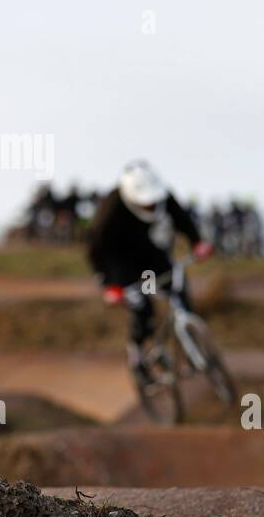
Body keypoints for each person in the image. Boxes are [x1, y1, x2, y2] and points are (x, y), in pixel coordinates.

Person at [87, 161, 213, 384]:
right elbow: (95, 249)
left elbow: (181, 218)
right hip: (122, 264)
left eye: (153, 203)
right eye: (145, 204)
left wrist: (197, 242)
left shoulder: (163, 195)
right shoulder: (111, 208)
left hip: (151, 255)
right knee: (143, 310)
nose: (151, 207)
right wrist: (108, 284)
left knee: (178, 283)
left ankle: (188, 337)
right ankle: (137, 360)